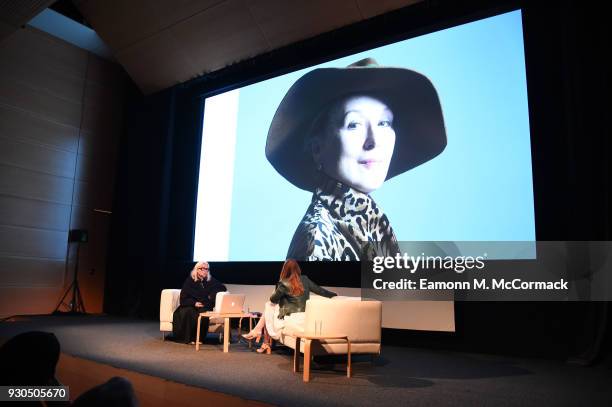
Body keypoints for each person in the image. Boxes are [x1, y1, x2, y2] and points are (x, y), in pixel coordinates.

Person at [265, 58, 447, 260]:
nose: (373, 141)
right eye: (354, 124)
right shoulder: (317, 240)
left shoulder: (369, 226)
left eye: (384, 123)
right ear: (317, 148)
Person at [242, 259, 337, 353]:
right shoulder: (305, 279)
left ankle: (258, 332)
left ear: (285, 270)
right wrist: (334, 295)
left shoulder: (284, 283)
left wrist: (278, 288)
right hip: (304, 316)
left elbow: (273, 299)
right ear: (298, 269)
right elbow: (320, 291)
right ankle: (258, 332)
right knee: (269, 307)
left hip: (289, 317)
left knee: (268, 305)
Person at [172, 261, 226, 344]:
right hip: (189, 304)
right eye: (202, 269)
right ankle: (188, 338)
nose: (205, 271)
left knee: (202, 312)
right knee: (189, 312)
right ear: (197, 269)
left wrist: (211, 295)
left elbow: (222, 287)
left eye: (207, 269)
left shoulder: (210, 280)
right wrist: (194, 303)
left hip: (204, 305)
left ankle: (198, 338)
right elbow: (183, 298)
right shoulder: (190, 280)